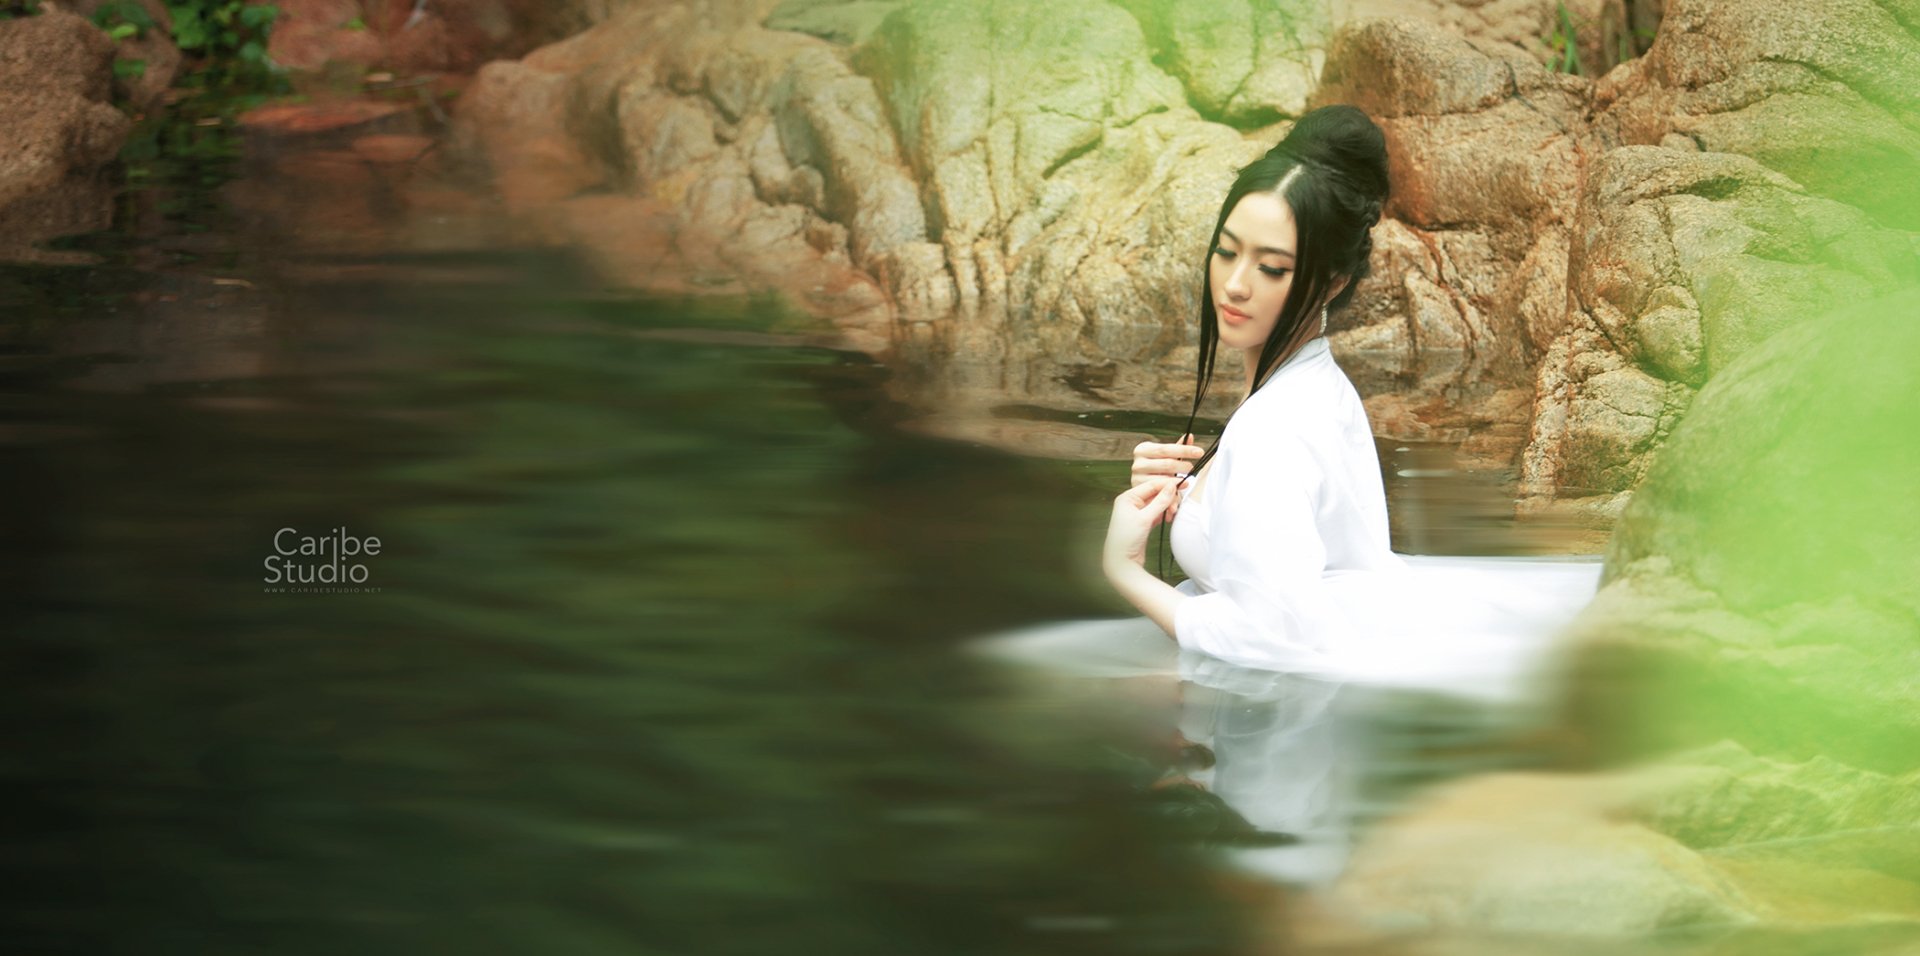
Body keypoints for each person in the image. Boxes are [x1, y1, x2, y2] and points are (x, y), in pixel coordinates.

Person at [1087, 104, 1602, 703]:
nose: (1235, 283)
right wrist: (1201, 493)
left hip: (1292, 730)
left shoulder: (1273, 428)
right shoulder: (1316, 385)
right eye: (1227, 252)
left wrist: (1124, 567)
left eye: (1272, 267)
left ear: (1332, 281)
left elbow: (1270, 638)